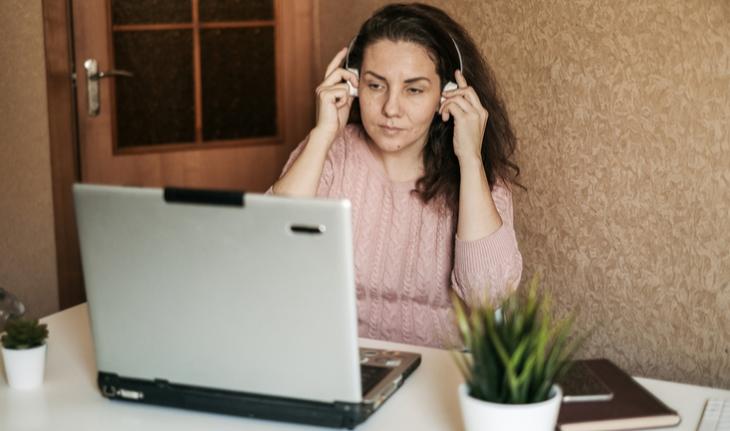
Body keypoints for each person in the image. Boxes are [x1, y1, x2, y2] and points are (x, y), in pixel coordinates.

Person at [269, 3, 522, 348]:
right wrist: (323, 134)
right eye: (376, 86)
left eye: (414, 89)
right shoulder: (328, 155)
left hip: (439, 377)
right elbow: (269, 252)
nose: (390, 108)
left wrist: (470, 159)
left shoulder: (477, 178)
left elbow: (487, 294)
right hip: (334, 362)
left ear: (446, 95)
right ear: (354, 84)